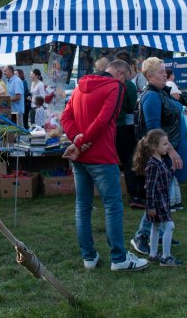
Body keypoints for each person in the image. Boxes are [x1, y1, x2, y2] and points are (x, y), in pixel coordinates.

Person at [60, 58, 148, 272]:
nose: (126, 83)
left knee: (83, 207)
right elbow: (104, 119)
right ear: (120, 74)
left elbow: (66, 117)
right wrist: (80, 141)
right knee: (112, 206)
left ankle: (88, 257)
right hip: (101, 156)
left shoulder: (80, 86)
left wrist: (76, 140)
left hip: (80, 157)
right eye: (126, 78)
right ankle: (118, 258)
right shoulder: (115, 86)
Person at [131, 57, 187, 256]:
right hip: (160, 155)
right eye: (160, 71)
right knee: (157, 196)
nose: (164, 74)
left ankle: (158, 234)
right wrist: (170, 151)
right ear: (149, 76)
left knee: (162, 196)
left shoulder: (160, 92)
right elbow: (153, 130)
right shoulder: (151, 96)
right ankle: (142, 236)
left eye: (165, 70)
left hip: (166, 151)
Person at [133, 129, 183, 267]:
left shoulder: (160, 161)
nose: (168, 147)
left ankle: (153, 254)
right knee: (169, 226)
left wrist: (172, 169)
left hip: (162, 201)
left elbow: (166, 179)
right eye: (165, 144)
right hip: (158, 203)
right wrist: (150, 207)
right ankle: (166, 257)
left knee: (155, 227)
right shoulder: (153, 165)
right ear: (154, 147)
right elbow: (150, 187)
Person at [114, 57, 142, 210]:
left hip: (111, 128)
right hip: (125, 128)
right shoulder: (128, 85)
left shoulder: (108, 84)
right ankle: (135, 195)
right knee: (129, 160)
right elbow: (133, 106)